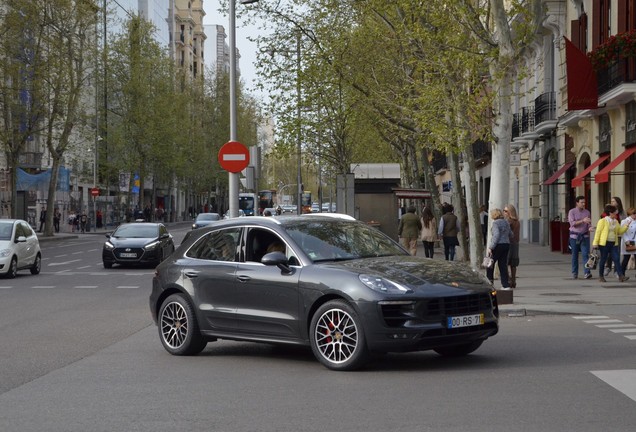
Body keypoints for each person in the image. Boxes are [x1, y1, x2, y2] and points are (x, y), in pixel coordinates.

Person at [592, 204, 632, 282]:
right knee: (603, 259)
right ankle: (601, 276)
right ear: (610, 213)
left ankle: (621, 276)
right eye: (614, 212)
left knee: (616, 259)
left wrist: (626, 226)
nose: (616, 214)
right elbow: (598, 232)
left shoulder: (616, 221)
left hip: (613, 243)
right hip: (604, 244)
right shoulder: (602, 221)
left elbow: (619, 231)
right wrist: (595, 243)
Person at [486, 208, 513, 290]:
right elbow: (511, 234)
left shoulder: (495, 223)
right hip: (506, 245)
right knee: (502, 265)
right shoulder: (506, 222)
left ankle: (490, 283)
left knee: (490, 264)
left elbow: (496, 235)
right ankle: (505, 285)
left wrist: (491, 247)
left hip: (497, 245)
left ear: (494, 215)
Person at [568, 195, 593, 279]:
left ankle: (587, 272)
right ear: (577, 203)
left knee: (585, 254)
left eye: (584, 202)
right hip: (574, 236)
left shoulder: (587, 212)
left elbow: (588, 223)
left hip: (584, 236)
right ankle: (575, 272)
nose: (583, 204)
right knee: (574, 255)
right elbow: (572, 223)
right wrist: (582, 220)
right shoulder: (572, 212)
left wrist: (590, 227)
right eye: (581, 202)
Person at [505, 204, 520, 288]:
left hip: (509, 243)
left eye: (506, 211)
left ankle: (509, 280)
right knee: (513, 263)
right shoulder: (517, 221)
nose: (504, 212)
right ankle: (513, 281)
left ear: (510, 212)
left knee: (505, 262)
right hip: (515, 243)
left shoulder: (508, 221)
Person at [620, 207, 636, 275]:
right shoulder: (624, 221)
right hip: (627, 241)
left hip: (635, 241)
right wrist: (627, 240)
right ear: (630, 214)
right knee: (626, 258)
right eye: (634, 213)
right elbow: (623, 232)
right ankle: (622, 273)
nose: (635, 215)